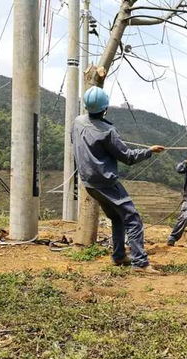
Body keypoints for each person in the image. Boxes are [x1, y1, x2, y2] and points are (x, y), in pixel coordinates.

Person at [72, 86, 165, 274]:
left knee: (117, 217)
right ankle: (140, 262)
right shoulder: (108, 131)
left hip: (89, 183)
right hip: (106, 183)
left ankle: (119, 255)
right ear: (105, 108)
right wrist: (149, 151)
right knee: (133, 219)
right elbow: (128, 157)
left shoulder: (77, 122)